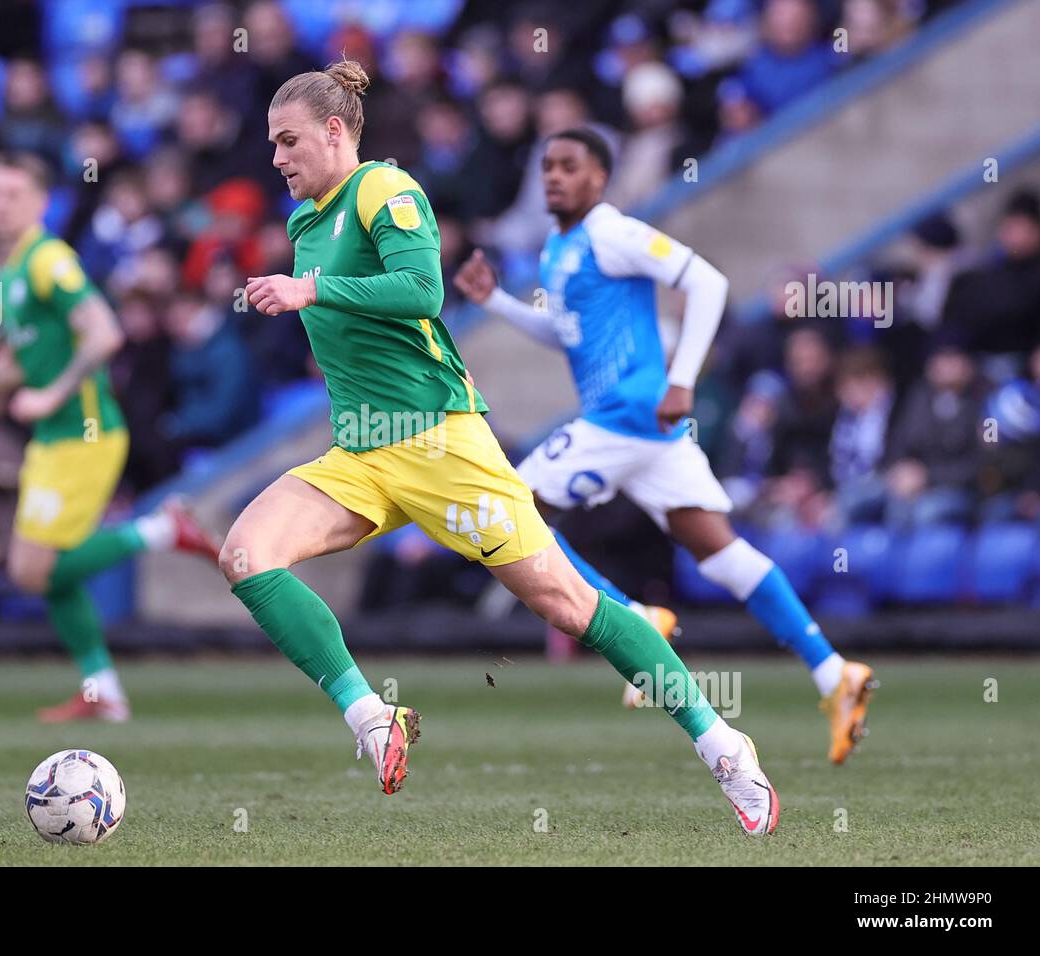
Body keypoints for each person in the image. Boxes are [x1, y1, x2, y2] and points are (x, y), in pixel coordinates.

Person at [225, 61, 778, 834]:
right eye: (271, 145)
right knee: (247, 555)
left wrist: (310, 290)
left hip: (441, 446)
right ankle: (371, 718)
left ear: (335, 131)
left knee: (569, 606)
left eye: (289, 141)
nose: (277, 158)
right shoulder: (304, 221)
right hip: (361, 454)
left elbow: (424, 293)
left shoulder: (386, 190)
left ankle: (723, 746)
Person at [454, 127, 876, 765]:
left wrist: (682, 376)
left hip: (626, 415)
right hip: (644, 429)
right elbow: (568, 334)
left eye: (569, 166)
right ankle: (833, 672)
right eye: (547, 167)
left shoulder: (612, 231)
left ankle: (632, 615)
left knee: (513, 506)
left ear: (601, 178)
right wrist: (501, 304)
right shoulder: (559, 249)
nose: (554, 178)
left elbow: (707, 282)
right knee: (721, 551)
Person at [0, 151, 218, 723]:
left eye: (10, 194)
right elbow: (17, 363)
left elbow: (104, 334)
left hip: (85, 435)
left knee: (31, 570)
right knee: (45, 571)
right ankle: (104, 691)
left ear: (39, 202)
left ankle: (161, 529)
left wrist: (54, 395)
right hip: (54, 441)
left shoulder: (48, 260)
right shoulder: (9, 274)